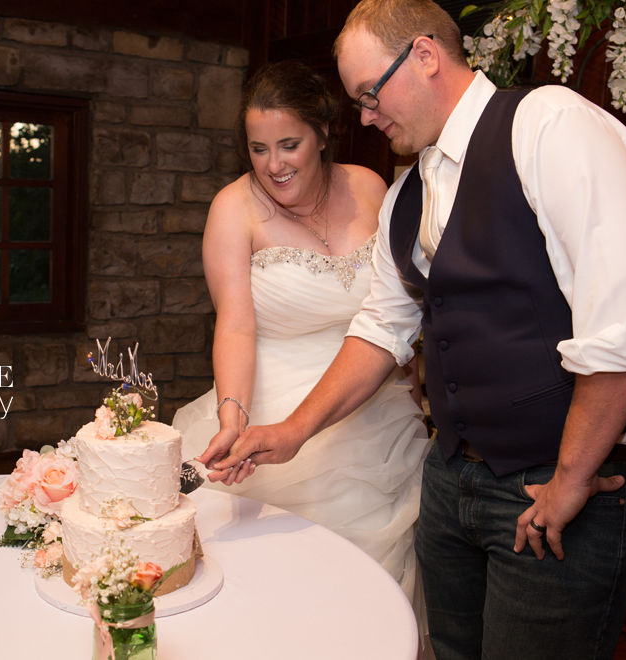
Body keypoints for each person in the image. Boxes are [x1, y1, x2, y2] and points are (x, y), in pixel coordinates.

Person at [212, 2, 626, 659]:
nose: (368, 116)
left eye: (371, 94)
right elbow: (381, 328)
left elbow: (625, 321)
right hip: (454, 481)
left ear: (426, 56)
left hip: (560, 486)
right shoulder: (408, 196)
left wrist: (572, 477)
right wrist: (291, 431)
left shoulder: (549, 125)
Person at [171, 61, 433, 611]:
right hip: (269, 403)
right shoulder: (232, 209)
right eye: (258, 148)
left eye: (288, 144)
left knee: (374, 590)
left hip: (371, 408)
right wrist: (233, 414)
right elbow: (236, 325)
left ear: (323, 133)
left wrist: (415, 377)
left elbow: (398, 303)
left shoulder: (369, 187)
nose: (273, 164)